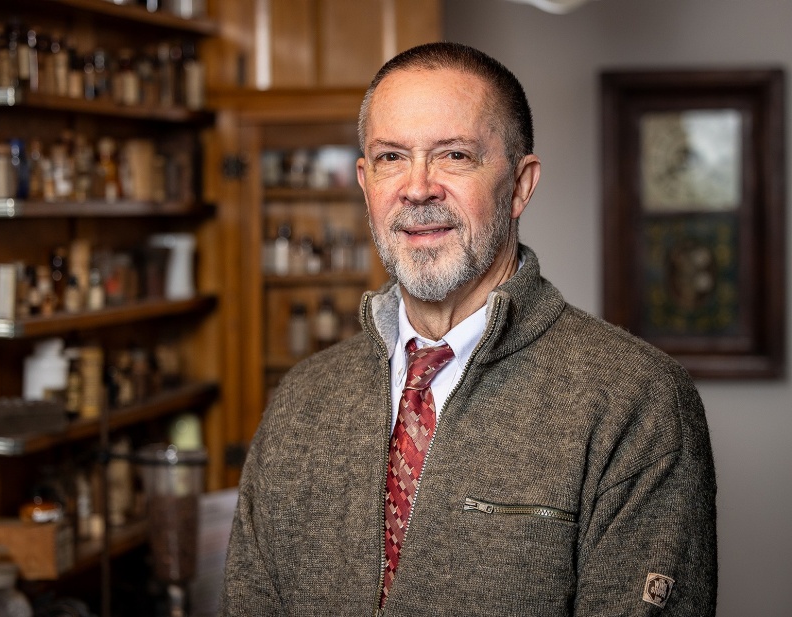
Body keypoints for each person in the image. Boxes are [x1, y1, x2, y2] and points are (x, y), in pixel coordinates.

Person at [220, 41, 717, 616]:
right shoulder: (300, 402)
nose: (418, 186)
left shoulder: (638, 402)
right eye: (390, 158)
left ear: (520, 186)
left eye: (454, 155)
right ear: (365, 182)